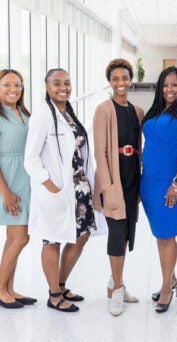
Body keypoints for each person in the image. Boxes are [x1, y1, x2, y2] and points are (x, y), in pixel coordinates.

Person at [24, 68, 102, 312]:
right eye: (57, 83)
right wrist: (51, 186)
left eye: (67, 83)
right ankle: (54, 294)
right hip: (57, 190)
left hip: (79, 188)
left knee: (82, 234)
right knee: (52, 240)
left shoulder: (67, 111)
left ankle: (60, 283)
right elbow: (31, 158)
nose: (63, 87)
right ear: (47, 87)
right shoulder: (42, 115)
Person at [140, 66, 177, 313]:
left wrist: (176, 184)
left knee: (167, 235)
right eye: (165, 85)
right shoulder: (156, 111)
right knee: (160, 235)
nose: (169, 89)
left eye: (174, 85)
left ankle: (166, 287)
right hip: (150, 182)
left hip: (174, 182)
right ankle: (170, 278)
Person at [93, 59, 143, 317]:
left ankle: (115, 281)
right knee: (115, 232)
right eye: (115, 79)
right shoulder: (103, 109)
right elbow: (100, 153)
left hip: (132, 176)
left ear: (130, 80)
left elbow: (139, 147)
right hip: (113, 177)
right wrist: (108, 186)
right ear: (109, 82)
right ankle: (118, 289)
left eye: (125, 78)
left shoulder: (137, 111)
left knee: (125, 233)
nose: (120, 83)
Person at [0, 69, 36, 309]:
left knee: (16, 237)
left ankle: (9, 288)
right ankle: (0, 288)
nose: (14, 89)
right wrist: (6, 192)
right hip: (9, 180)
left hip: (26, 178)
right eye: (7, 85)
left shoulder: (23, 111)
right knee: (20, 237)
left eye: (18, 85)